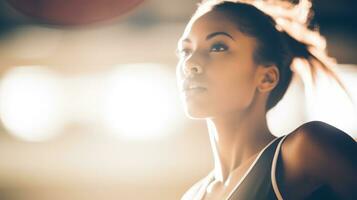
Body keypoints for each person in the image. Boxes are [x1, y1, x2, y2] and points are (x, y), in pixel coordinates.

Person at [175, 0, 357, 199]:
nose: (189, 63)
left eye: (218, 47)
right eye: (185, 50)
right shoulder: (191, 196)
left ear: (266, 78)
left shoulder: (307, 150)